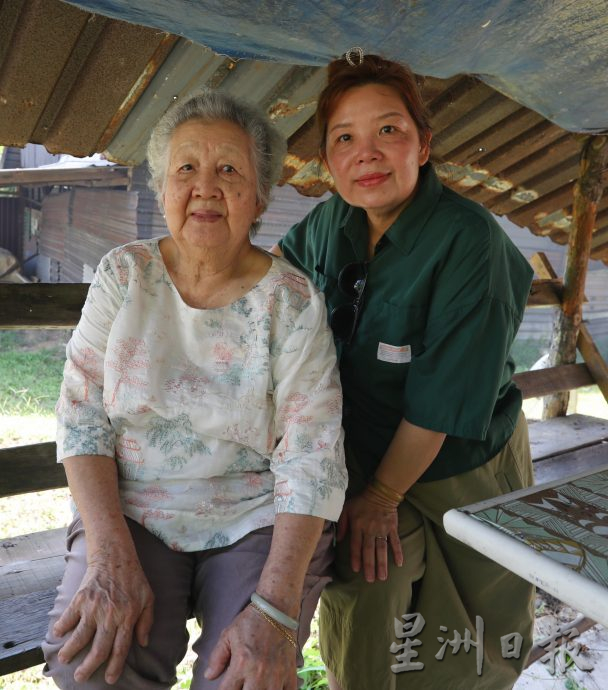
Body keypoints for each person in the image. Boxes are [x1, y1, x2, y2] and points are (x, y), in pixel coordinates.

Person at [42, 88, 347, 690]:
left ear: (259, 197)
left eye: (228, 170)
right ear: (162, 187)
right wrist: (107, 554)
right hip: (133, 510)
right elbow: (81, 420)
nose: (205, 187)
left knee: (244, 678)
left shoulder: (292, 300)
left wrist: (275, 612)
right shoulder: (124, 274)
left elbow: (311, 459)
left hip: (255, 516)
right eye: (187, 168)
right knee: (91, 665)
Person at [274, 51, 536, 690]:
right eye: (345, 138)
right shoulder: (330, 222)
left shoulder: (471, 244)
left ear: (423, 145)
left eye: (389, 130)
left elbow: (443, 401)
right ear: (329, 161)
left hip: (458, 466)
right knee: (365, 602)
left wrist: (382, 499)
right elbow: (273, 298)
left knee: (470, 635)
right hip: (359, 459)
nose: (367, 152)